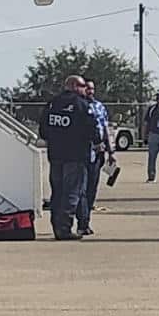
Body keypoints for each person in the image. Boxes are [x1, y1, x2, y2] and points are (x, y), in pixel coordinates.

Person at [39, 75, 99, 240]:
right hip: (75, 156)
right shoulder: (82, 105)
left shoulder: (52, 104)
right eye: (82, 86)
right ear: (73, 86)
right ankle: (64, 228)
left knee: (57, 192)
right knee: (72, 193)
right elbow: (93, 130)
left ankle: (56, 226)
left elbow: (43, 130)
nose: (85, 89)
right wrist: (96, 142)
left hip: (56, 155)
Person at [79, 79, 111, 237]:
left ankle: (86, 221)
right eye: (87, 89)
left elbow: (105, 128)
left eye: (92, 89)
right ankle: (81, 222)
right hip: (83, 153)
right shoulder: (80, 107)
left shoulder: (99, 106)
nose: (90, 91)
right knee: (81, 190)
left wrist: (111, 151)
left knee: (92, 189)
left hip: (99, 153)